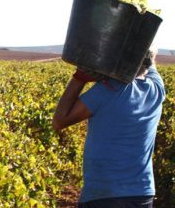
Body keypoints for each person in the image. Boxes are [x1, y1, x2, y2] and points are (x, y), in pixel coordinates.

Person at [52, 49, 165, 208]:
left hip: (105, 195)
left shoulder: (110, 89)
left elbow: (59, 121)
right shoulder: (157, 88)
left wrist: (79, 78)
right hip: (142, 193)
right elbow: (150, 61)